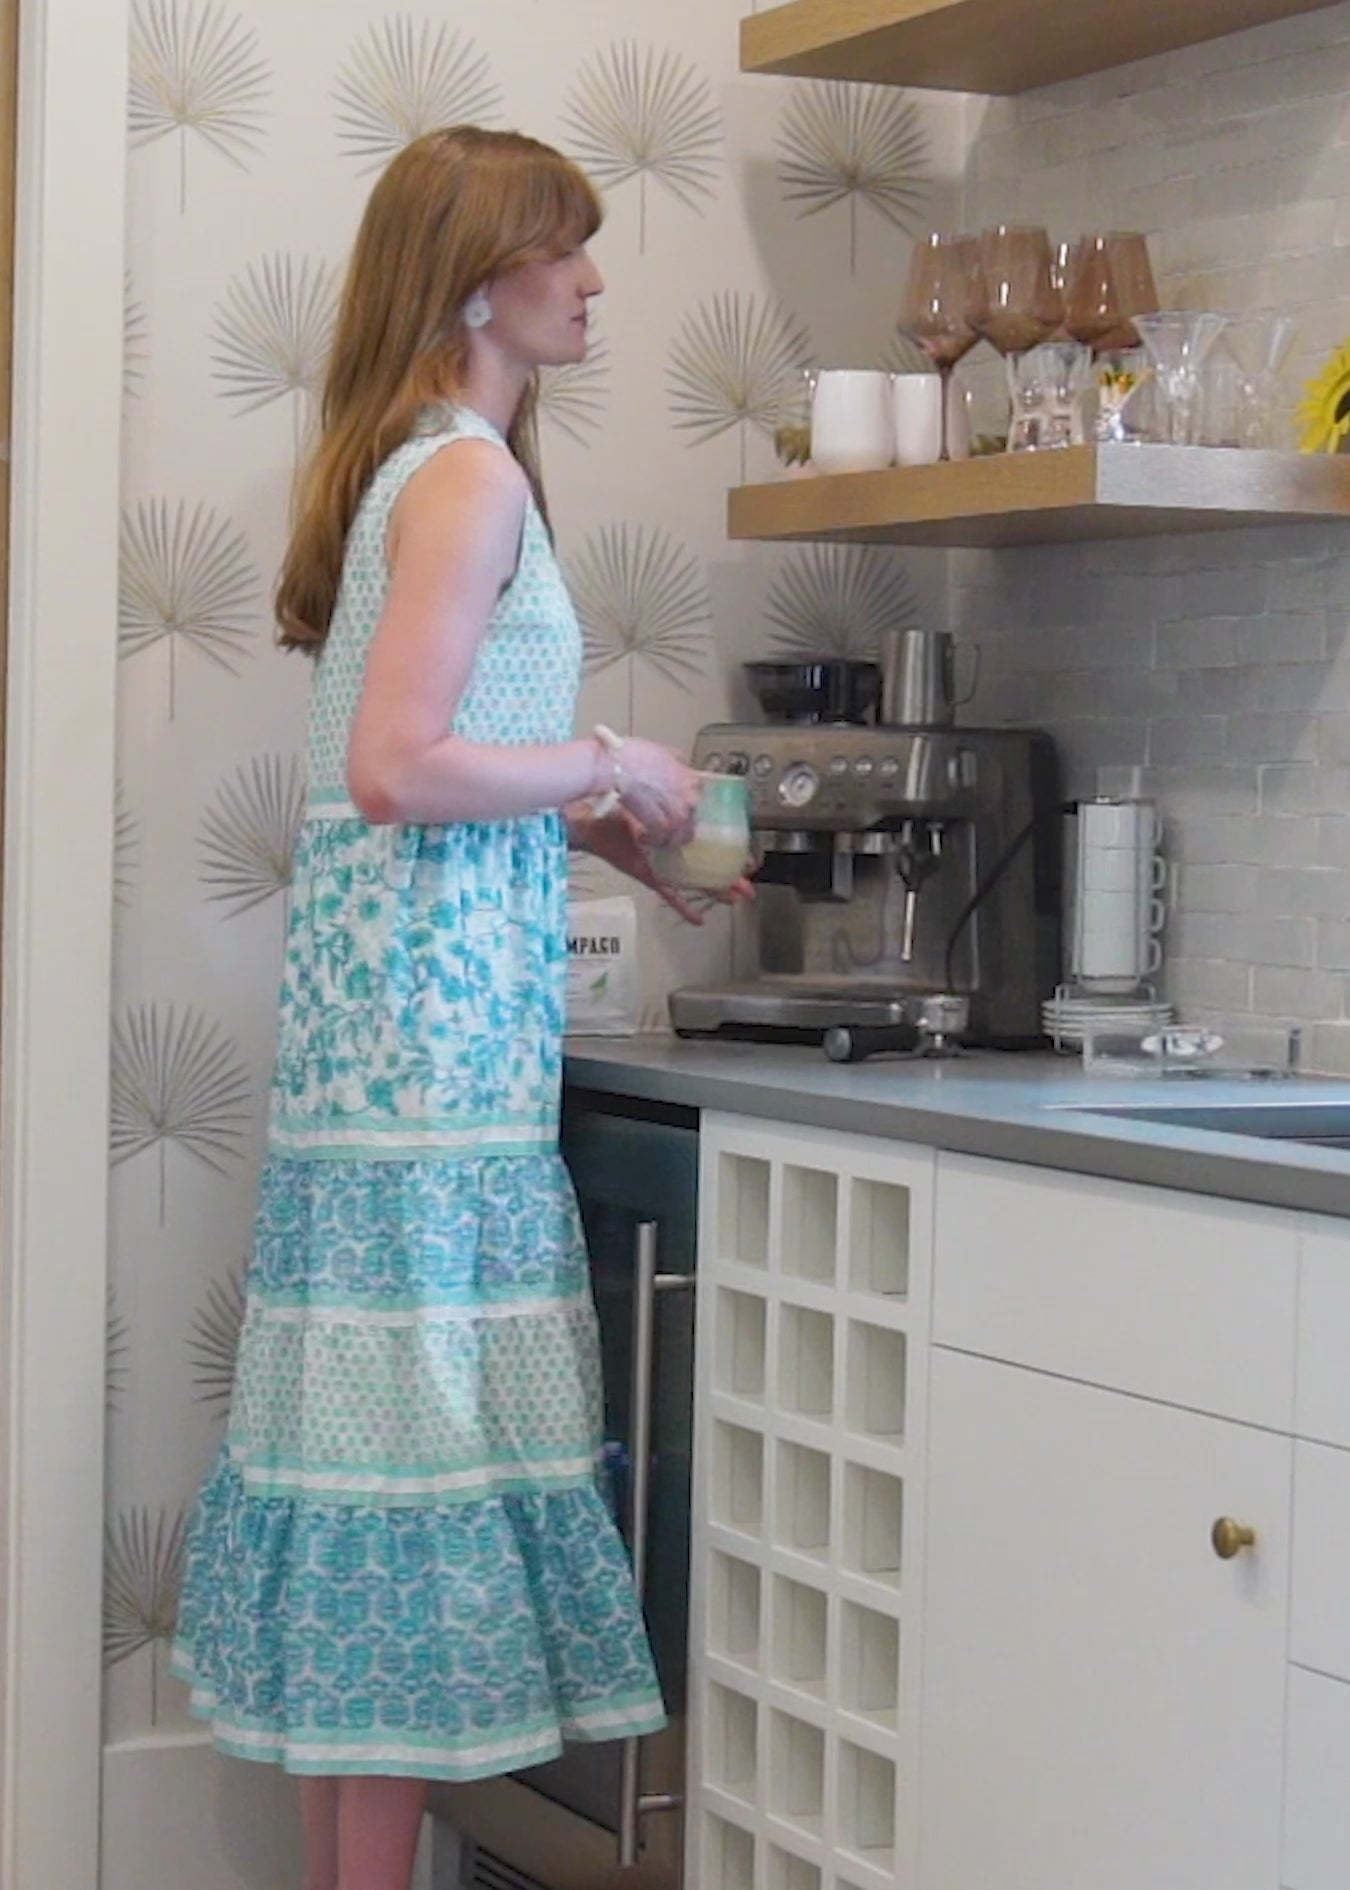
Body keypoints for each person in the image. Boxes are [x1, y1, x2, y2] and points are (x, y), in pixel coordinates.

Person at [171, 124, 736, 1890]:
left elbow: (425, 763)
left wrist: (621, 837)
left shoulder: (424, 465)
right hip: (432, 1070)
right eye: (566, 251)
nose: (589, 281)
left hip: (387, 1056)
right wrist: (616, 751)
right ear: (483, 276)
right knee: (412, 1514)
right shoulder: (471, 476)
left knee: (379, 1515)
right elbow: (398, 765)